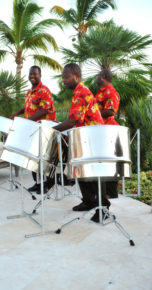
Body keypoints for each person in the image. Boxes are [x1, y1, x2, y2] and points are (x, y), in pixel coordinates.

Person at [53, 63, 110, 222]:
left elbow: (72, 120)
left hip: (93, 138)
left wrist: (52, 130)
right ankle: (89, 201)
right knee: (80, 170)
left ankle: (103, 208)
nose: (63, 80)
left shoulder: (81, 92)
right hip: (84, 137)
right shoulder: (78, 92)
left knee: (93, 174)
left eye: (66, 77)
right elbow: (76, 120)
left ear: (76, 76)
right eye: (63, 77)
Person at [10, 65, 57, 193]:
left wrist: (27, 121)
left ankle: (47, 184)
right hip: (32, 128)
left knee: (45, 158)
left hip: (44, 129)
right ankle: (37, 183)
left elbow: (44, 109)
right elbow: (28, 107)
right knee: (32, 156)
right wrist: (17, 113)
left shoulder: (44, 90)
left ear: (40, 75)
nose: (32, 76)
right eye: (30, 74)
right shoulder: (30, 92)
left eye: (35, 74)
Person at [95, 69, 120, 199]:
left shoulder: (111, 91)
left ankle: (110, 194)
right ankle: (104, 194)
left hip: (109, 130)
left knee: (109, 162)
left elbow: (110, 111)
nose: (96, 77)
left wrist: (93, 115)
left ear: (103, 76)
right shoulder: (100, 92)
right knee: (103, 162)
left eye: (98, 75)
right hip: (101, 130)